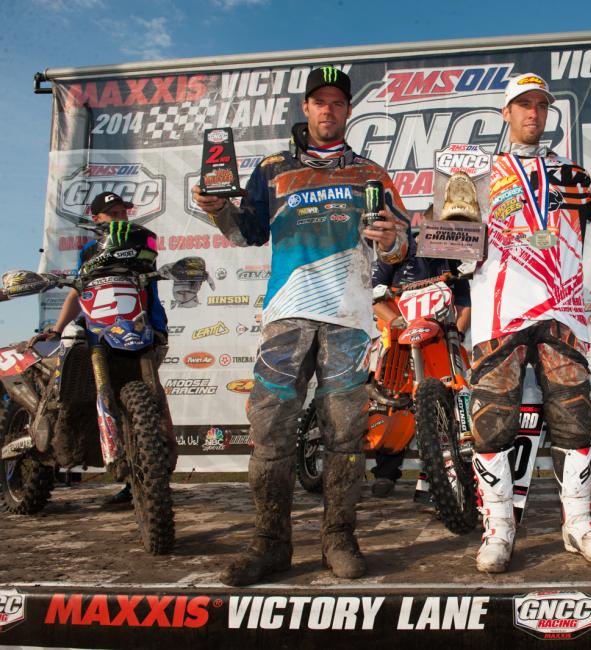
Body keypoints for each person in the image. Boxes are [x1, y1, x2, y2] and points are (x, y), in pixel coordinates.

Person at [192, 65, 407, 585]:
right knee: (270, 433)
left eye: (337, 101)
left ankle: (339, 537)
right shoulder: (272, 168)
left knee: (346, 435)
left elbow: (402, 246)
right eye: (319, 102)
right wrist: (217, 209)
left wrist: (391, 236)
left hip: (350, 320)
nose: (328, 109)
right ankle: (270, 544)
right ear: (306, 109)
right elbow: (247, 233)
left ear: (348, 111)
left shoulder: (372, 173)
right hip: (287, 316)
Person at [468, 72, 591, 573]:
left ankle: (579, 523)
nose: (532, 114)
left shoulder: (566, 173)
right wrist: (449, 258)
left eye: (541, 105)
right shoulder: (479, 177)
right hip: (498, 312)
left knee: (574, 418)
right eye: (523, 105)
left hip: (560, 310)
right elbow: (448, 237)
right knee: (492, 422)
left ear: (548, 113)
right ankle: (498, 530)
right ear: (506, 113)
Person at [40, 191, 173, 504]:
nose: (120, 218)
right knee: (76, 391)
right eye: (112, 214)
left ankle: (148, 480)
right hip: (100, 332)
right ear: (96, 218)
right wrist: (57, 328)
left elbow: (153, 274)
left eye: (123, 212)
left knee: (153, 403)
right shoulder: (90, 249)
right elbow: (78, 290)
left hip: (145, 327)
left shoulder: (141, 245)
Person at [369, 204, 473, 497]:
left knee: (457, 386)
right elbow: (376, 296)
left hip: (439, 333)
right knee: (392, 394)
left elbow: (464, 304)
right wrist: (397, 322)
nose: (437, 230)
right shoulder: (400, 249)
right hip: (398, 329)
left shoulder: (452, 259)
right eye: (433, 223)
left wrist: (458, 331)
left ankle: (449, 466)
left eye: (443, 225)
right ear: (423, 222)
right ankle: (386, 471)